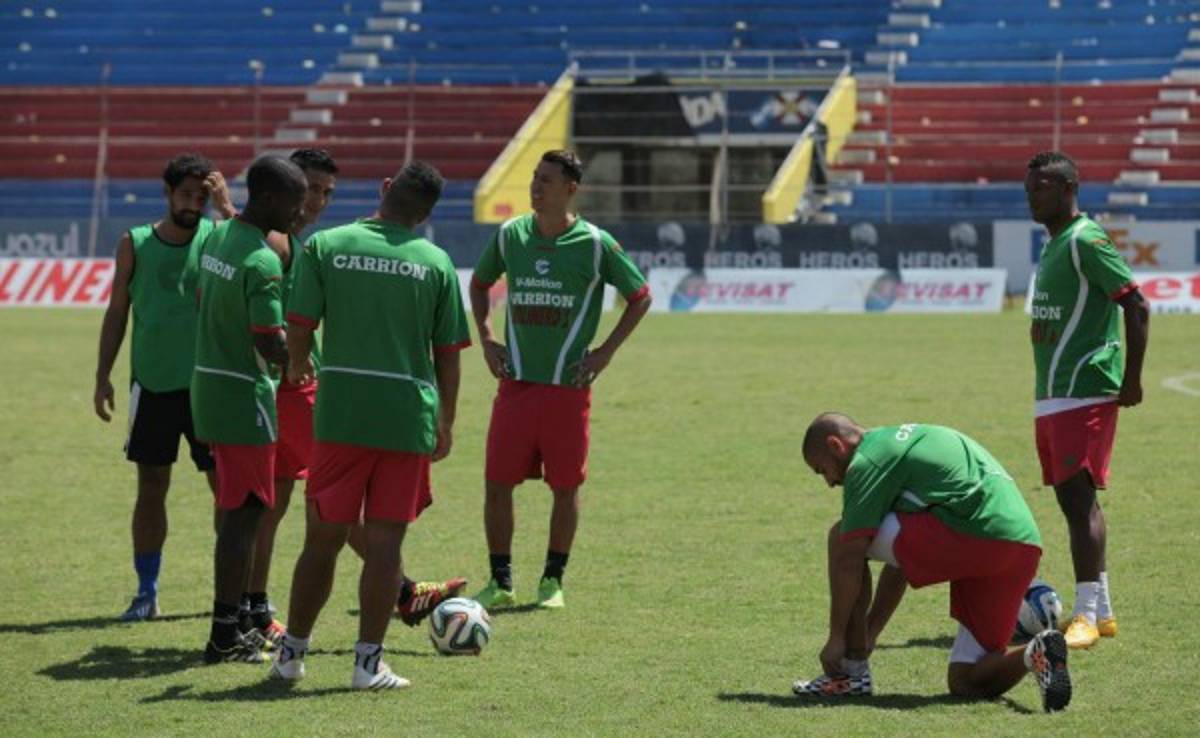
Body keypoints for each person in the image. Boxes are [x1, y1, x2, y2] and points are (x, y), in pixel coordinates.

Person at [245, 149, 465, 647]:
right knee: (279, 505)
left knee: (310, 523)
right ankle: (266, 614)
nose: (316, 202)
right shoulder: (435, 262)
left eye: (325, 192)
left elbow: (297, 325)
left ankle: (284, 641)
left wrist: (297, 363)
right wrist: (447, 419)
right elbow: (448, 354)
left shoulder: (324, 245)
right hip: (397, 414)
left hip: (328, 405)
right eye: (310, 191)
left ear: (385, 188)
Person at [469, 150, 652, 609]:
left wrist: (605, 353)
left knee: (566, 487)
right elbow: (479, 282)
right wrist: (487, 337)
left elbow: (640, 296)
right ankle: (501, 581)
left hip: (568, 389)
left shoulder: (594, 244)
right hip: (516, 385)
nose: (535, 187)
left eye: (546, 180)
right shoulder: (511, 235)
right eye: (534, 178)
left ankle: (552, 581)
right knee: (497, 484)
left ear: (571, 188)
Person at [793, 413, 1072, 713]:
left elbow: (849, 555)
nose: (830, 482)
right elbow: (900, 561)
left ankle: (849, 675)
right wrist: (870, 634)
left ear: (836, 445)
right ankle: (1036, 652)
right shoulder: (899, 443)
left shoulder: (867, 463)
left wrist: (837, 638)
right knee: (966, 680)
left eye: (823, 470)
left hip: (976, 532)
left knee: (842, 538)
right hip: (1022, 543)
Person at [93, 153, 235, 621]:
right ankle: (146, 591)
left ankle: (233, 595)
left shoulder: (220, 237)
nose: (194, 204)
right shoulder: (134, 243)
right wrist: (102, 375)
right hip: (151, 386)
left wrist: (227, 206)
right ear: (168, 193)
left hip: (209, 389)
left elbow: (263, 250)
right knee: (151, 487)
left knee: (227, 491)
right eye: (186, 195)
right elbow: (117, 312)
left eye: (201, 196)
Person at [1025, 151, 1150, 649]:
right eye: (1028, 188)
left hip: (1084, 385)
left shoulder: (1084, 239)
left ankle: (1085, 616)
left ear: (1068, 186)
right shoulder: (1055, 244)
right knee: (1073, 501)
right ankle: (1104, 608)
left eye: (1040, 187)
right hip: (1054, 392)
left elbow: (1135, 305)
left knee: (1079, 503)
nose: (1031, 197)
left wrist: (1132, 379)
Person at [188, 154, 307, 663]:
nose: (300, 215)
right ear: (270, 200)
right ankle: (225, 635)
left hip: (208, 382)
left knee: (237, 508)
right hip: (243, 392)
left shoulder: (217, 237)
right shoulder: (261, 259)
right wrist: (300, 362)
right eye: (296, 203)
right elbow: (269, 341)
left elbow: (197, 292)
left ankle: (231, 626)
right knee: (247, 514)